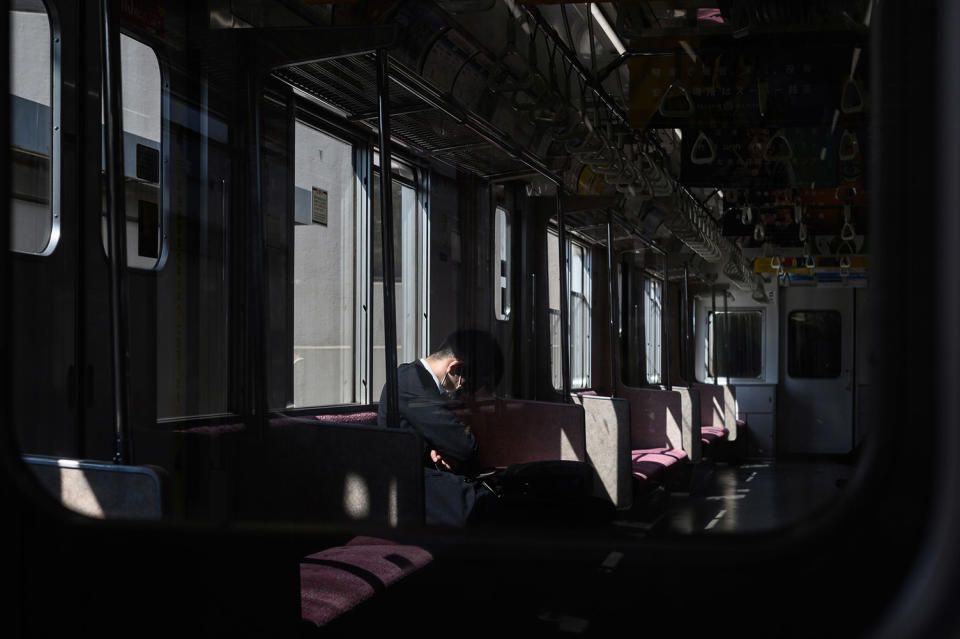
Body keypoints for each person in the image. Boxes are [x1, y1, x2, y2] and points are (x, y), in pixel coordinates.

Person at [377, 329, 503, 527]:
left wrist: (438, 450)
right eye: (466, 386)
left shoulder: (416, 380)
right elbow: (463, 445)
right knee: (486, 506)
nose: (463, 394)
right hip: (407, 485)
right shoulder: (410, 382)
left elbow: (445, 435)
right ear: (455, 368)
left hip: (422, 477)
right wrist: (448, 448)